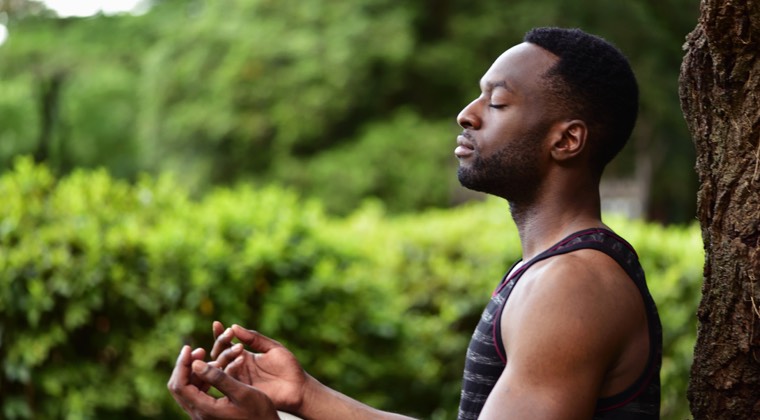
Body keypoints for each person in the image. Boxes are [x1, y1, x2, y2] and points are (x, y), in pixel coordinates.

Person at [168, 27, 662, 419]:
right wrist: (304, 397)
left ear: (567, 141)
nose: (467, 115)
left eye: (497, 102)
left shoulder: (571, 284)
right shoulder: (556, 271)